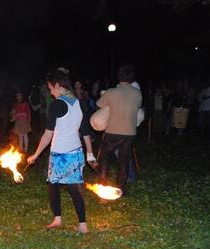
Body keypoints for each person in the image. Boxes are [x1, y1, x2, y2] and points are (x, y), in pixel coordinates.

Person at [27, 68, 96, 234]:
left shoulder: (57, 104)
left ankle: (61, 219)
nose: (50, 92)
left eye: (51, 88)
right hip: (76, 152)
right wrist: (90, 153)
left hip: (60, 154)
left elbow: (48, 134)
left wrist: (35, 154)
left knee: (55, 186)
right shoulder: (77, 101)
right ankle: (79, 224)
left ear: (57, 85)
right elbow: (85, 129)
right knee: (70, 187)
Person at [96, 65, 142, 194]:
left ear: (119, 76)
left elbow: (99, 104)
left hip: (113, 131)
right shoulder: (137, 93)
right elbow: (137, 107)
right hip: (130, 132)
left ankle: (102, 187)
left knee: (104, 158)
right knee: (124, 159)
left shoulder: (111, 92)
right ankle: (121, 188)